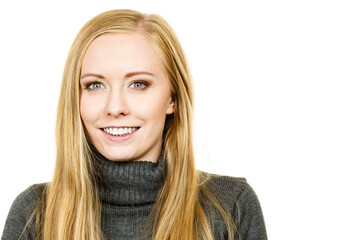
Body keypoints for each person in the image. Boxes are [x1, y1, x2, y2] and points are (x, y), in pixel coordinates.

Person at [1, 9, 267, 240]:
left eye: (138, 84)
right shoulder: (34, 213)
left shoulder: (230, 206)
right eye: (95, 85)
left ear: (172, 98)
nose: (115, 107)